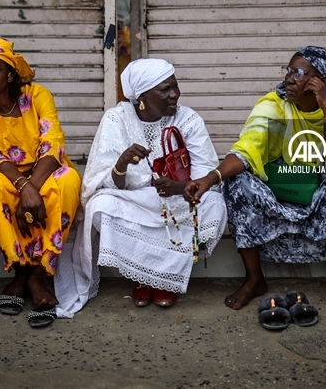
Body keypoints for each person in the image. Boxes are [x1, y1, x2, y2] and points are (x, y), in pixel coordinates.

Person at [185, 46, 326, 317]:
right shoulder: (273, 105)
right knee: (237, 183)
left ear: (322, 82)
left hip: (320, 182)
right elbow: (247, 148)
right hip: (281, 181)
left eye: (300, 73)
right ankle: (254, 279)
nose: (290, 78)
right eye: (288, 70)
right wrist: (210, 179)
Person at [54, 59, 227, 316]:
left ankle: (166, 277)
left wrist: (178, 187)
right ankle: (143, 276)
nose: (175, 94)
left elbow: (205, 176)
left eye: (175, 86)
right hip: (134, 199)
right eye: (165, 90)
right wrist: (122, 163)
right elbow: (103, 182)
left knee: (214, 204)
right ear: (142, 97)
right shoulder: (116, 119)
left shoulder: (188, 119)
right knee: (100, 206)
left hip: (179, 198)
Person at [0, 36, 81, 326]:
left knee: (68, 180)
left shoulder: (38, 95)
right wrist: (24, 188)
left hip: (46, 171)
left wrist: (33, 188)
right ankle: (22, 273)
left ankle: (37, 275)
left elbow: (53, 143)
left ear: (11, 72)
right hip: (8, 178)